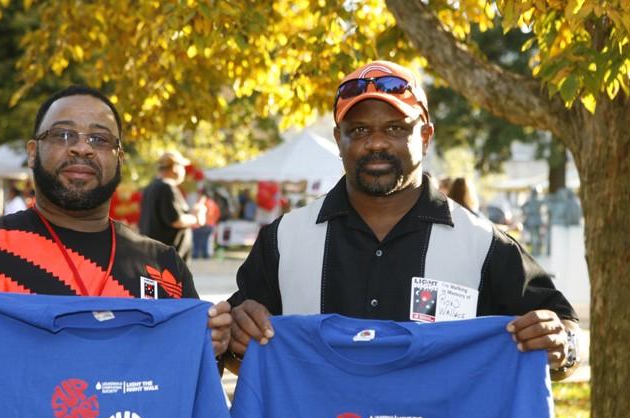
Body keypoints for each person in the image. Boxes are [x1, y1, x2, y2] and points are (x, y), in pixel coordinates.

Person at [224, 59, 580, 381]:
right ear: (339, 139)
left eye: (395, 128)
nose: (376, 143)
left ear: (424, 136)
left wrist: (560, 343)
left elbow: (562, 332)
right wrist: (237, 335)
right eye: (359, 130)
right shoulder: (285, 240)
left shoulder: (482, 244)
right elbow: (240, 349)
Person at [0, 85, 231, 385]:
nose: (82, 147)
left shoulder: (163, 267)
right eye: (63, 134)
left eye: (100, 140)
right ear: (32, 152)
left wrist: (214, 345)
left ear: (119, 158)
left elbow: (195, 384)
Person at [138, 150, 204, 262]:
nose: (184, 171)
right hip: (167, 261)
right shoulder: (166, 188)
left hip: (156, 256)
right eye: (183, 167)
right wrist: (195, 216)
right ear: (175, 167)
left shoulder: (151, 187)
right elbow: (176, 220)